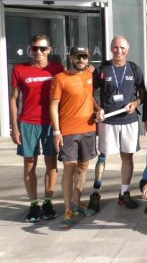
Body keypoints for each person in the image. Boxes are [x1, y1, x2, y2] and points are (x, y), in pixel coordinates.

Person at [10, 34, 63, 222]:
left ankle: (48, 201)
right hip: (27, 123)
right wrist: (14, 127)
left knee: (51, 163)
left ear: (49, 50)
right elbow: (14, 99)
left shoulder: (57, 69)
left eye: (42, 48)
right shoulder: (20, 70)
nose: (38, 52)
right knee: (29, 164)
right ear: (30, 49)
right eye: (34, 48)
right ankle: (34, 204)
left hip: (51, 124)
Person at [89, 36, 145, 212]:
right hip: (108, 120)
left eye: (122, 48)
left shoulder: (134, 68)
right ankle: (95, 193)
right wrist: (98, 109)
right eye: (115, 47)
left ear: (127, 50)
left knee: (127, 157)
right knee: (103, 156)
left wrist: (134, 104)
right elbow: (89, 93)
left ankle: (124, 193)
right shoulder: (102, 69)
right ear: (111, 49)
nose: (118, 51)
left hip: (128, 120)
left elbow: (143, 94)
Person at [49, 46, 98, 228]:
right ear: (71, 58)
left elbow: (89, 97)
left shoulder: (89, 75)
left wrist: (98, 110)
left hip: (88, 129)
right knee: (69, 169)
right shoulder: (60, 78)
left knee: (84, 167)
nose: (81, 60)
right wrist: (56, 132)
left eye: (84, 57)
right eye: (78, 57)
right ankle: (68, 210)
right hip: (68, 131)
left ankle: (77, 204)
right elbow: (53, 106)